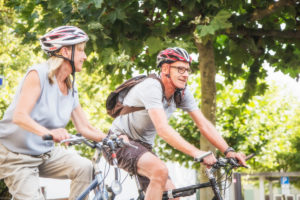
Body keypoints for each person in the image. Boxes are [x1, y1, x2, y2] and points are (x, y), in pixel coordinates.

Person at [107, 47, 247, 200]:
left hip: (144, 148)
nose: (185, 74)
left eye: (187, 70)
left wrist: (228, 151)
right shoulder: (151, 87)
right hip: (119, 142)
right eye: (180, 69)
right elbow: (162, 129)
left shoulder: (182, 93)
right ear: (165, 68)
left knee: (174, 197)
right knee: (159, 170)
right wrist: (197, 152)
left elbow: (204, 124)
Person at [0, 26, 106, 200]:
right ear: (65, 51)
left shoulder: (71, 86)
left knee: (84, 167)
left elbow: (84, 127)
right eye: (80, 50)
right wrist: (49, 133)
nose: (85, 56)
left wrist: (113, 139)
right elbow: (19, 116)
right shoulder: (38, 74)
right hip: (15, 156)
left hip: (45, 153)